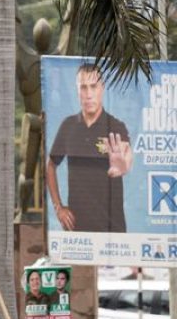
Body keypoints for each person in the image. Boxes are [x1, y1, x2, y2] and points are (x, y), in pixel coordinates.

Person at [46, 63, 132, 232]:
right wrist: (58, 207)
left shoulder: (116, 126)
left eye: (93, 86)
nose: (89, 94)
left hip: (112, 229)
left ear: (102, 88)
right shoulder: (68, 126)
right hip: (77, 229)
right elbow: (50, 166)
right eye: (83, 87)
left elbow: (127, 157)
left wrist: (124, 165)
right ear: (77, 91)